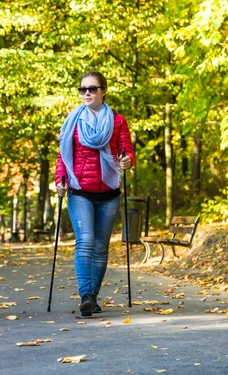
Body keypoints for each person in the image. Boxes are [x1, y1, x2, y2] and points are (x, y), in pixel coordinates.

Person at [55, 71, 134, 317]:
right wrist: (60, 179)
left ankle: (93, 296)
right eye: (82, 89)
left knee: (100, 247)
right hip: (79, 191)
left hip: (109, 191)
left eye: (92, 89)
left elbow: (127, 150)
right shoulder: (73, 120)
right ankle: (86, 295)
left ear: (103, 91)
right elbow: (63, 155)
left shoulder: (117, 120)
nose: (86, 93)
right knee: (85, 241)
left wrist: (127, 161)